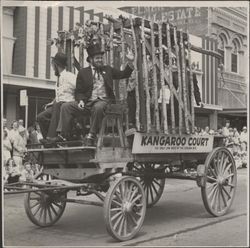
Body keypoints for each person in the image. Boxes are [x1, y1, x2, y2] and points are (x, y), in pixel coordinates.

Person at [55, 42, 134, 145]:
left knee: (98, 107)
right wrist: (81, 101)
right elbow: (79, 91)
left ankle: (91, 135)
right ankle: (64, 135)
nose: (100, 60)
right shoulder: (83, 72)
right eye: (97, 58)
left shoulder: (108, 70)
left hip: (104, 102)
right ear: (91, 60)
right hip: (88, 103)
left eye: (101, 58)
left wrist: (130, 62)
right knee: (66, 106)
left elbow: (124, 74)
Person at [37, 52, 77, 141]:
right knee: (41, 117)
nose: (52, 67)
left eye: (52, 65)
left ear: (56, 65)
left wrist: (75, 101)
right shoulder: (58, 79)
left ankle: (51, 137)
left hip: (66, 106)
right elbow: (59, 95)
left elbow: (80, 89)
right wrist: (51, 103)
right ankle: (47, 139)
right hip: (57, 106)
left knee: (58, 105)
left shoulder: (69, 76)